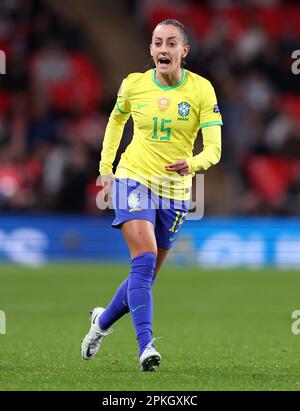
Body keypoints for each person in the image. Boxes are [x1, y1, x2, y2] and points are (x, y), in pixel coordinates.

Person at [81, 19, 222, 371]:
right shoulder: (134, 85)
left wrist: (193, 163)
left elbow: (215, 149)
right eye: (158, 42)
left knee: (143, 279)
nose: (163, 49)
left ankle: (100, 324)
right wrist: (106, 167)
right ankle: (146, 347)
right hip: (133, 179)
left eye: (171, 43)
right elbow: (116, 122)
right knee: (142, 259)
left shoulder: (202, 91)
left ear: (183, 52)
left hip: (175, 191)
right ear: (151, 49)